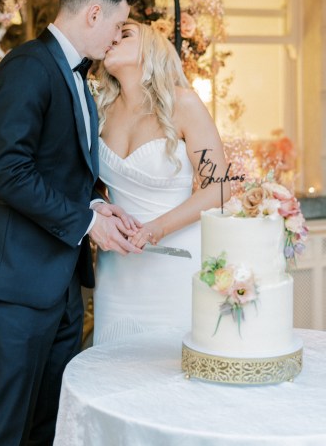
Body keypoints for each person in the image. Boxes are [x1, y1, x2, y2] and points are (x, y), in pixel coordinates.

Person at [0, 0, 143, 446]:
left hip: (59, 285)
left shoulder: (75, 75)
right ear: (94, 12)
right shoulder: (26, 66)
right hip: (16, 284)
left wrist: (96, 204)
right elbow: (11, 173)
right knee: (6, 430)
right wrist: (85, 221)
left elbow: (59, 168)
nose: (116, 37)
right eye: (117, 25)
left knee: (47, 426)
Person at [93, 20, 230, 345]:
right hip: (118, 271)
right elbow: (88, 183)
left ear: (151, 48)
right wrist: (101, 214)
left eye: (125, 33)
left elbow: (221, 188)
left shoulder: (182, 103)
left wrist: (157, 228)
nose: (114, 37)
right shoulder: (98, 109)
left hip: (176, 265)